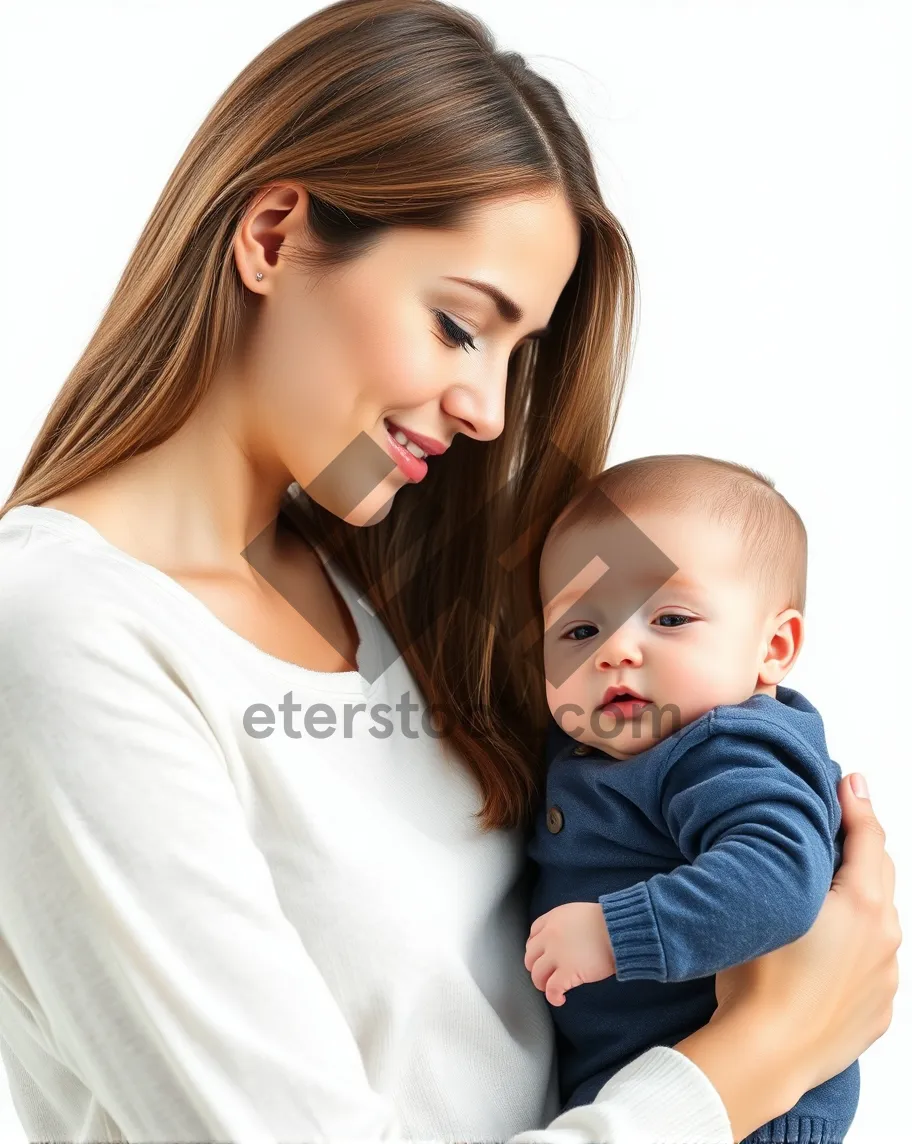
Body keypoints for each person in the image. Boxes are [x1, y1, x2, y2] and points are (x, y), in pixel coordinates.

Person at [0, 2, 899, 1142]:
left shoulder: (403, 572)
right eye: (461, 327)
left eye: (520, 355)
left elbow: (734, 707)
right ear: (273, 235)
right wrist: (758, 1058)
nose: (488, 413)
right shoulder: (63, 637)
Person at [523, 455, 860, 1142]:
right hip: (647, 1099)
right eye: (579, 631)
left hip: (755, 1113)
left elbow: (778, 879)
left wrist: (616, 934)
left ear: (773, 646)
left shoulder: (725, 746)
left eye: (670, 618)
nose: (616, 649)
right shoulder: (607, 747)